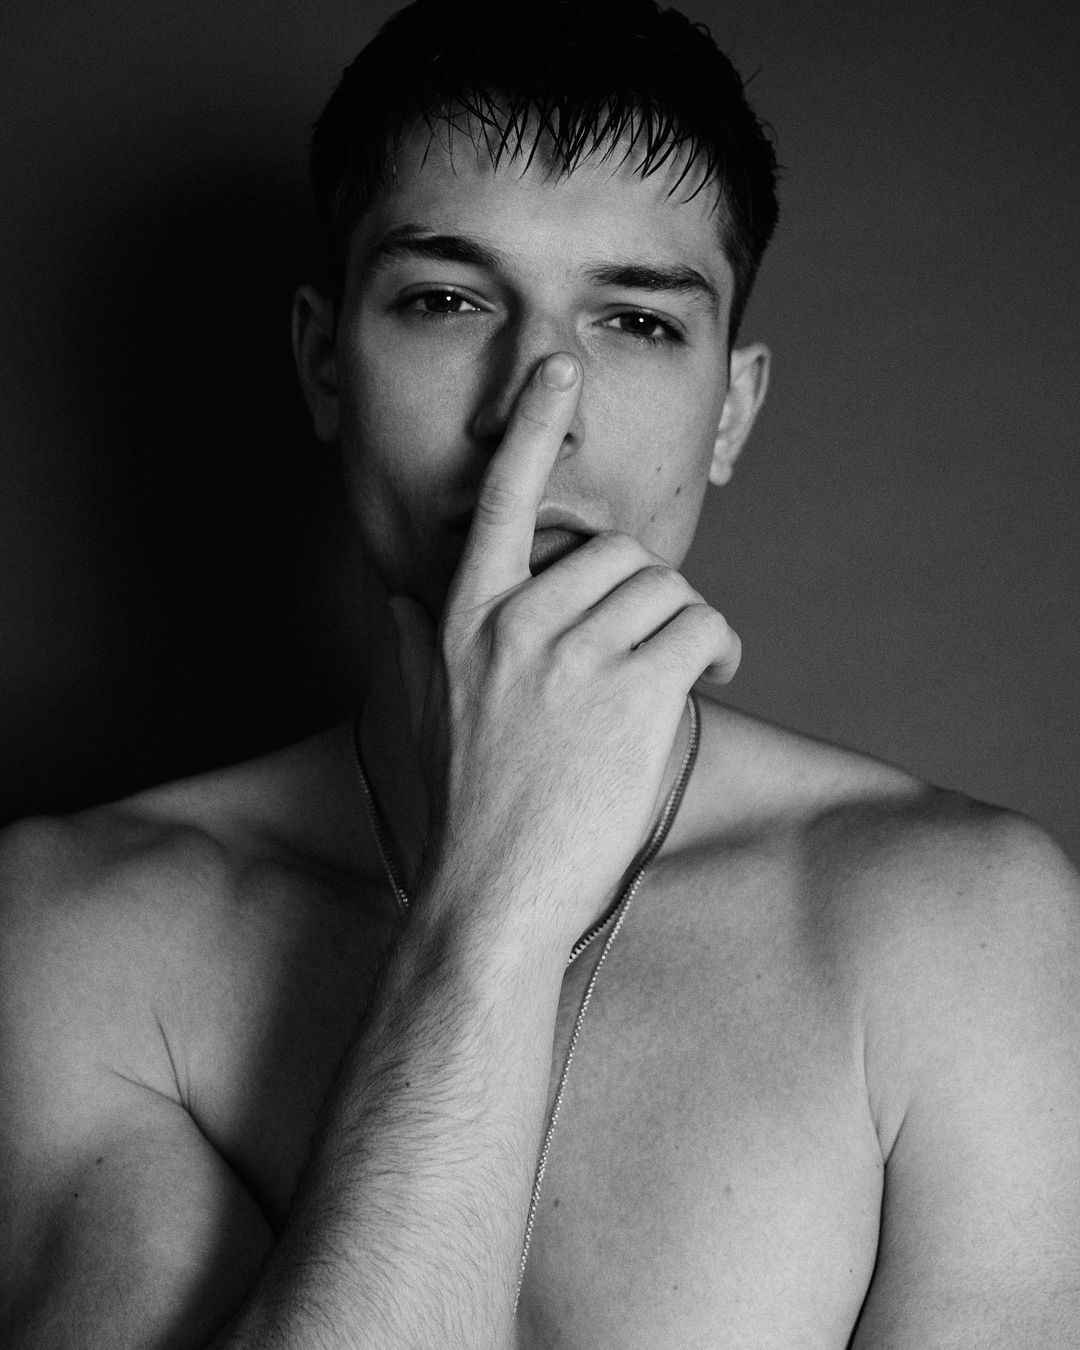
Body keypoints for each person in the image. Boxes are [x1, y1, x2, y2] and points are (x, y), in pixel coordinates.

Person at [2, 0, 1078, 1344]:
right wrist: (496, 907)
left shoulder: (964, 929)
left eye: (635, 321)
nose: (538, 403)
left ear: (731, 410)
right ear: (325, 364)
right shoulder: (74, 930)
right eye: (446, 302)